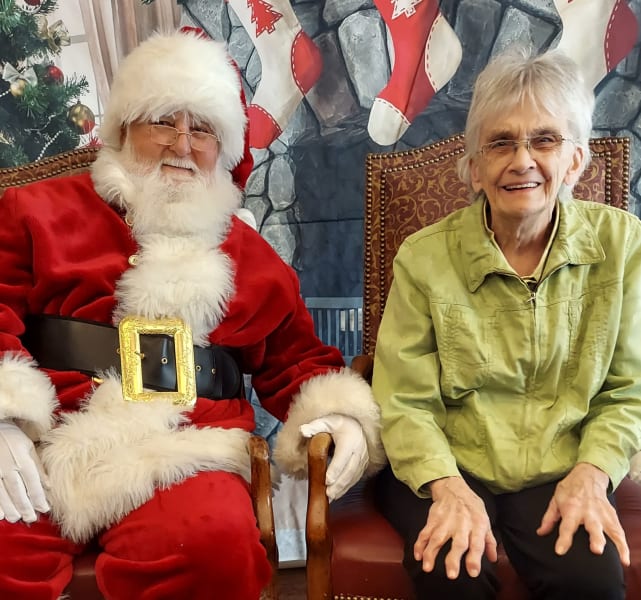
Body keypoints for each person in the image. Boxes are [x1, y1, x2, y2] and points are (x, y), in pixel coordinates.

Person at [0, 28, 386, 600]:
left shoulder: (252, 258)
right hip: (44, 447)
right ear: (124, 128)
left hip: (185, 450)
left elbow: (297, 360)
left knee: (213, 545)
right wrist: (4, 416)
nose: (183, 144)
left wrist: (343, 416)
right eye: (163, 120)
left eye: (202, 128)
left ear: (223, 148)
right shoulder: (35, 211)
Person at [372, 47, 641, 600]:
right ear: (473, 169)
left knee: (590, 579)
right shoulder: (423, 258)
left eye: (544, 139)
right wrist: (447, 489)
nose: (521, 161)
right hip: (444, 460)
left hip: (561, 462)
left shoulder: (624, 246)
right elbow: (404, 401)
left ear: (575, 161)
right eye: (500, 143)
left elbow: (629, 389)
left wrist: (592, 474)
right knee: (451, 570)